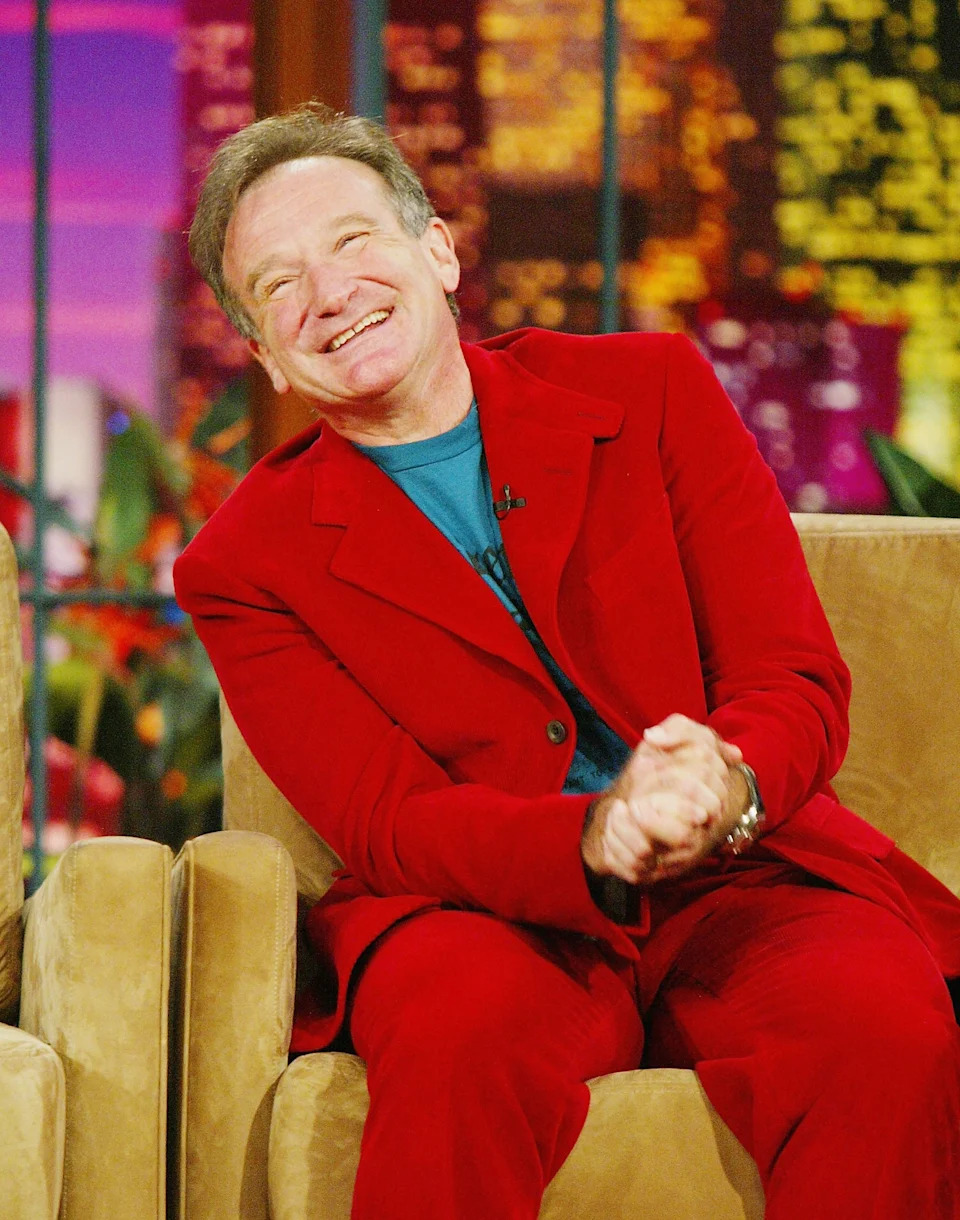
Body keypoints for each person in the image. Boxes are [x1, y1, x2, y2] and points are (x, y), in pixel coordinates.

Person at [174, 102, 960, 1220]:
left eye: (353, 241)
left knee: (882, 1022)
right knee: (452, 1036)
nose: (329, 293)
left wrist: (724, 784)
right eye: (280, 284)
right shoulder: (239, 563)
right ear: (267, 355)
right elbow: (389, 820)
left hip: (741, 872)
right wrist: (591, 835)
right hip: (481, 908)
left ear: (436, 251)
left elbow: (792, 679)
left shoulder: (654, 392)